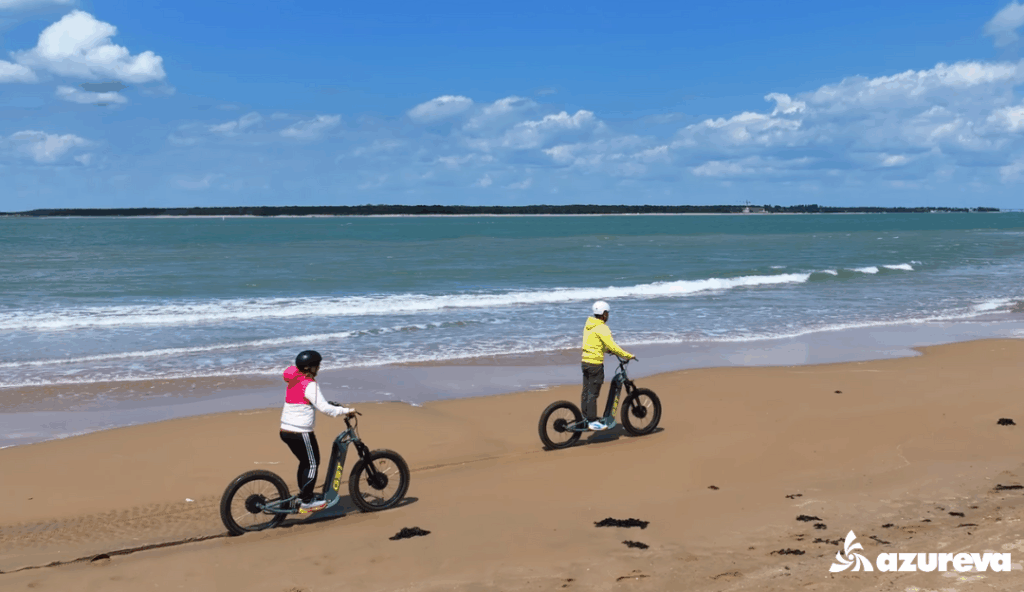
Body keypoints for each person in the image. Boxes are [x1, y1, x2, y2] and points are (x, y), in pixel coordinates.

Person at [280, 350, 355, 513]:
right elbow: (324, 408)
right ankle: (306, 502)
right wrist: (346, 410)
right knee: (313, 463)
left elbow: (308, 400)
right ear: (310, 367)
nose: (319, 368)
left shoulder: (294, 378)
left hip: (286, 430)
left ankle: (303, 495)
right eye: (317, 365)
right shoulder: (310, 384)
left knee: (306, 462)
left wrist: (332, 405)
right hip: (300, 432)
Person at [581, 301, 635, 431]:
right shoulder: (602, 328)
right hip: (595, 365)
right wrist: (626, 355)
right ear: (604, 314)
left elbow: (594, 344)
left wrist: (606, 350)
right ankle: (592, 421)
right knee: (593, 394)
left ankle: (586, 417)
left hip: (585, 363)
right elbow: (613, 346)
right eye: (607, 313)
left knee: (586, 392)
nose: (608, 315)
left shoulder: (589, 325)